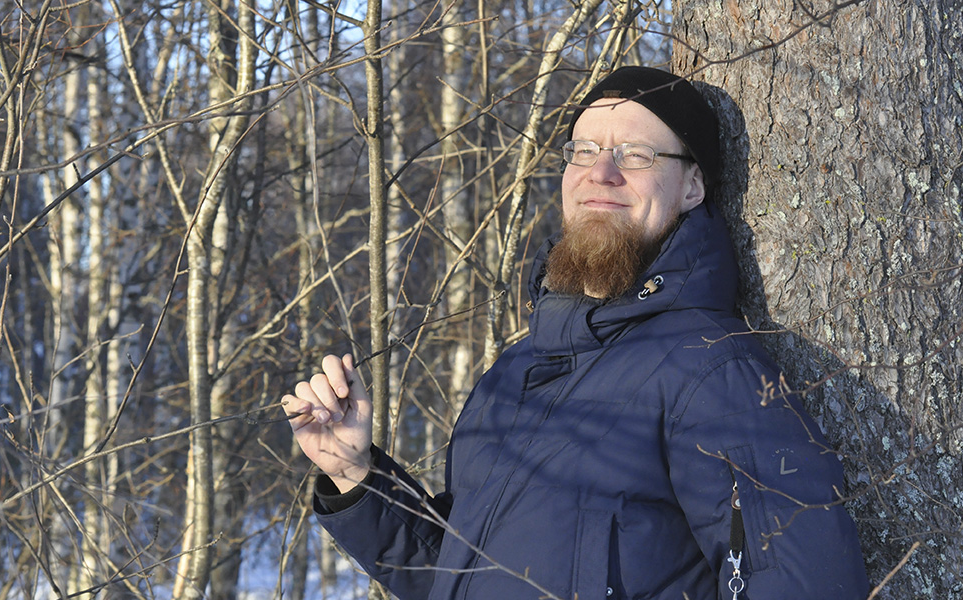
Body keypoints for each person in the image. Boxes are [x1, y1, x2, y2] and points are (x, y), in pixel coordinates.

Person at [282, 66, 869, 600]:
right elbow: (464, 577)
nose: (600, 172)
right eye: (583, 150)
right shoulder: (513, 374)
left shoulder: (712, 371)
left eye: (636, 154)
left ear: (693, 186)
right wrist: (356, 476)